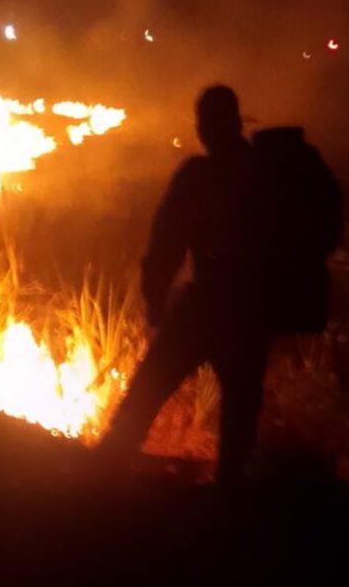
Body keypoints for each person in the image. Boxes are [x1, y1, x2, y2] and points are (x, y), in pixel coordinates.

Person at [101, 84, 270, 485]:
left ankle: (102, 475)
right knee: (240, 412)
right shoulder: (264, 173)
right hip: (252, 311)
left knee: (150, 386)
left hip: (210, 305)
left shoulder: (200, 175)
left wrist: (155, 295)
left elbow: (167, 240)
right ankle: (229, 492)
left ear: (207, 127)